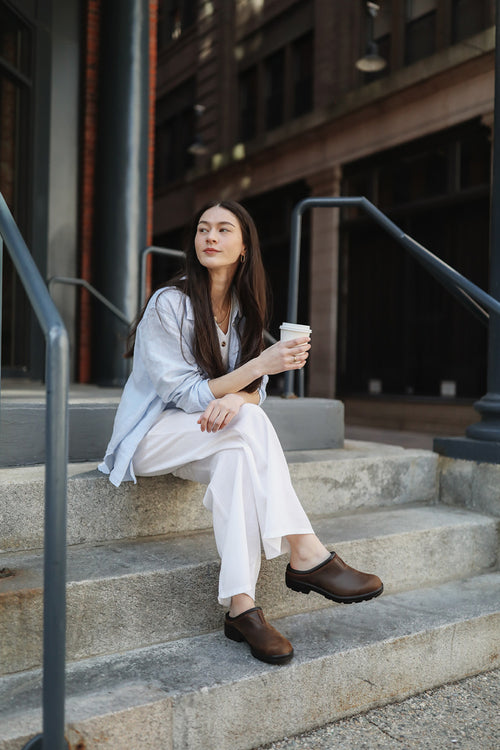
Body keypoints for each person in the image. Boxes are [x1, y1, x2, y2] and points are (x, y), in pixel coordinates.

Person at [99, 200, 383, 666]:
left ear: (244, 247)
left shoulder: (245, 313)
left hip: (210, 436)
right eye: (203, 229)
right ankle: (305, 552)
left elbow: (254, 395)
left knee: (237, 459)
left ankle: (241, 608)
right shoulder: (168, 303)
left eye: (224, 229)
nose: (210, 236)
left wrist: (240, 394)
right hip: (151, 437)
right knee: (247, 425)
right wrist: (256, 371)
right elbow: (186, 394)